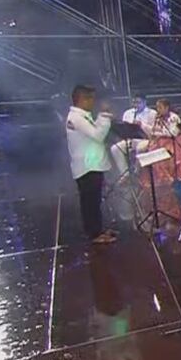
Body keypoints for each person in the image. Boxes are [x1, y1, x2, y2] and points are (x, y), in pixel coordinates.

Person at [66, 85, 117, 245]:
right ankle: (94, 233)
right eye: (91, 99)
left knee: (94, 200)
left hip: (90, 164)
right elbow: (97, 135)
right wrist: (105, 117)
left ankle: (98, 229)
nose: (93, 102)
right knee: (90, 201)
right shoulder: (77, 118)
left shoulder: (80, 116)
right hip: (87, 167)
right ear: (82, 99)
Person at [111, 95, 155, 173]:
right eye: (134, 102)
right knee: (115, 148)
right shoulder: (128, 113)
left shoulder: (152, 113)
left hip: (145, 140)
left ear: (145, 102)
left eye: (138, 102)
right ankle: (125, 173)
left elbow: (153, 131)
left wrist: (142, 125)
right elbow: (124, 128)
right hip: (131, 139)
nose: (136, 105)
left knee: (140, 148)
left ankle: (137, 172)